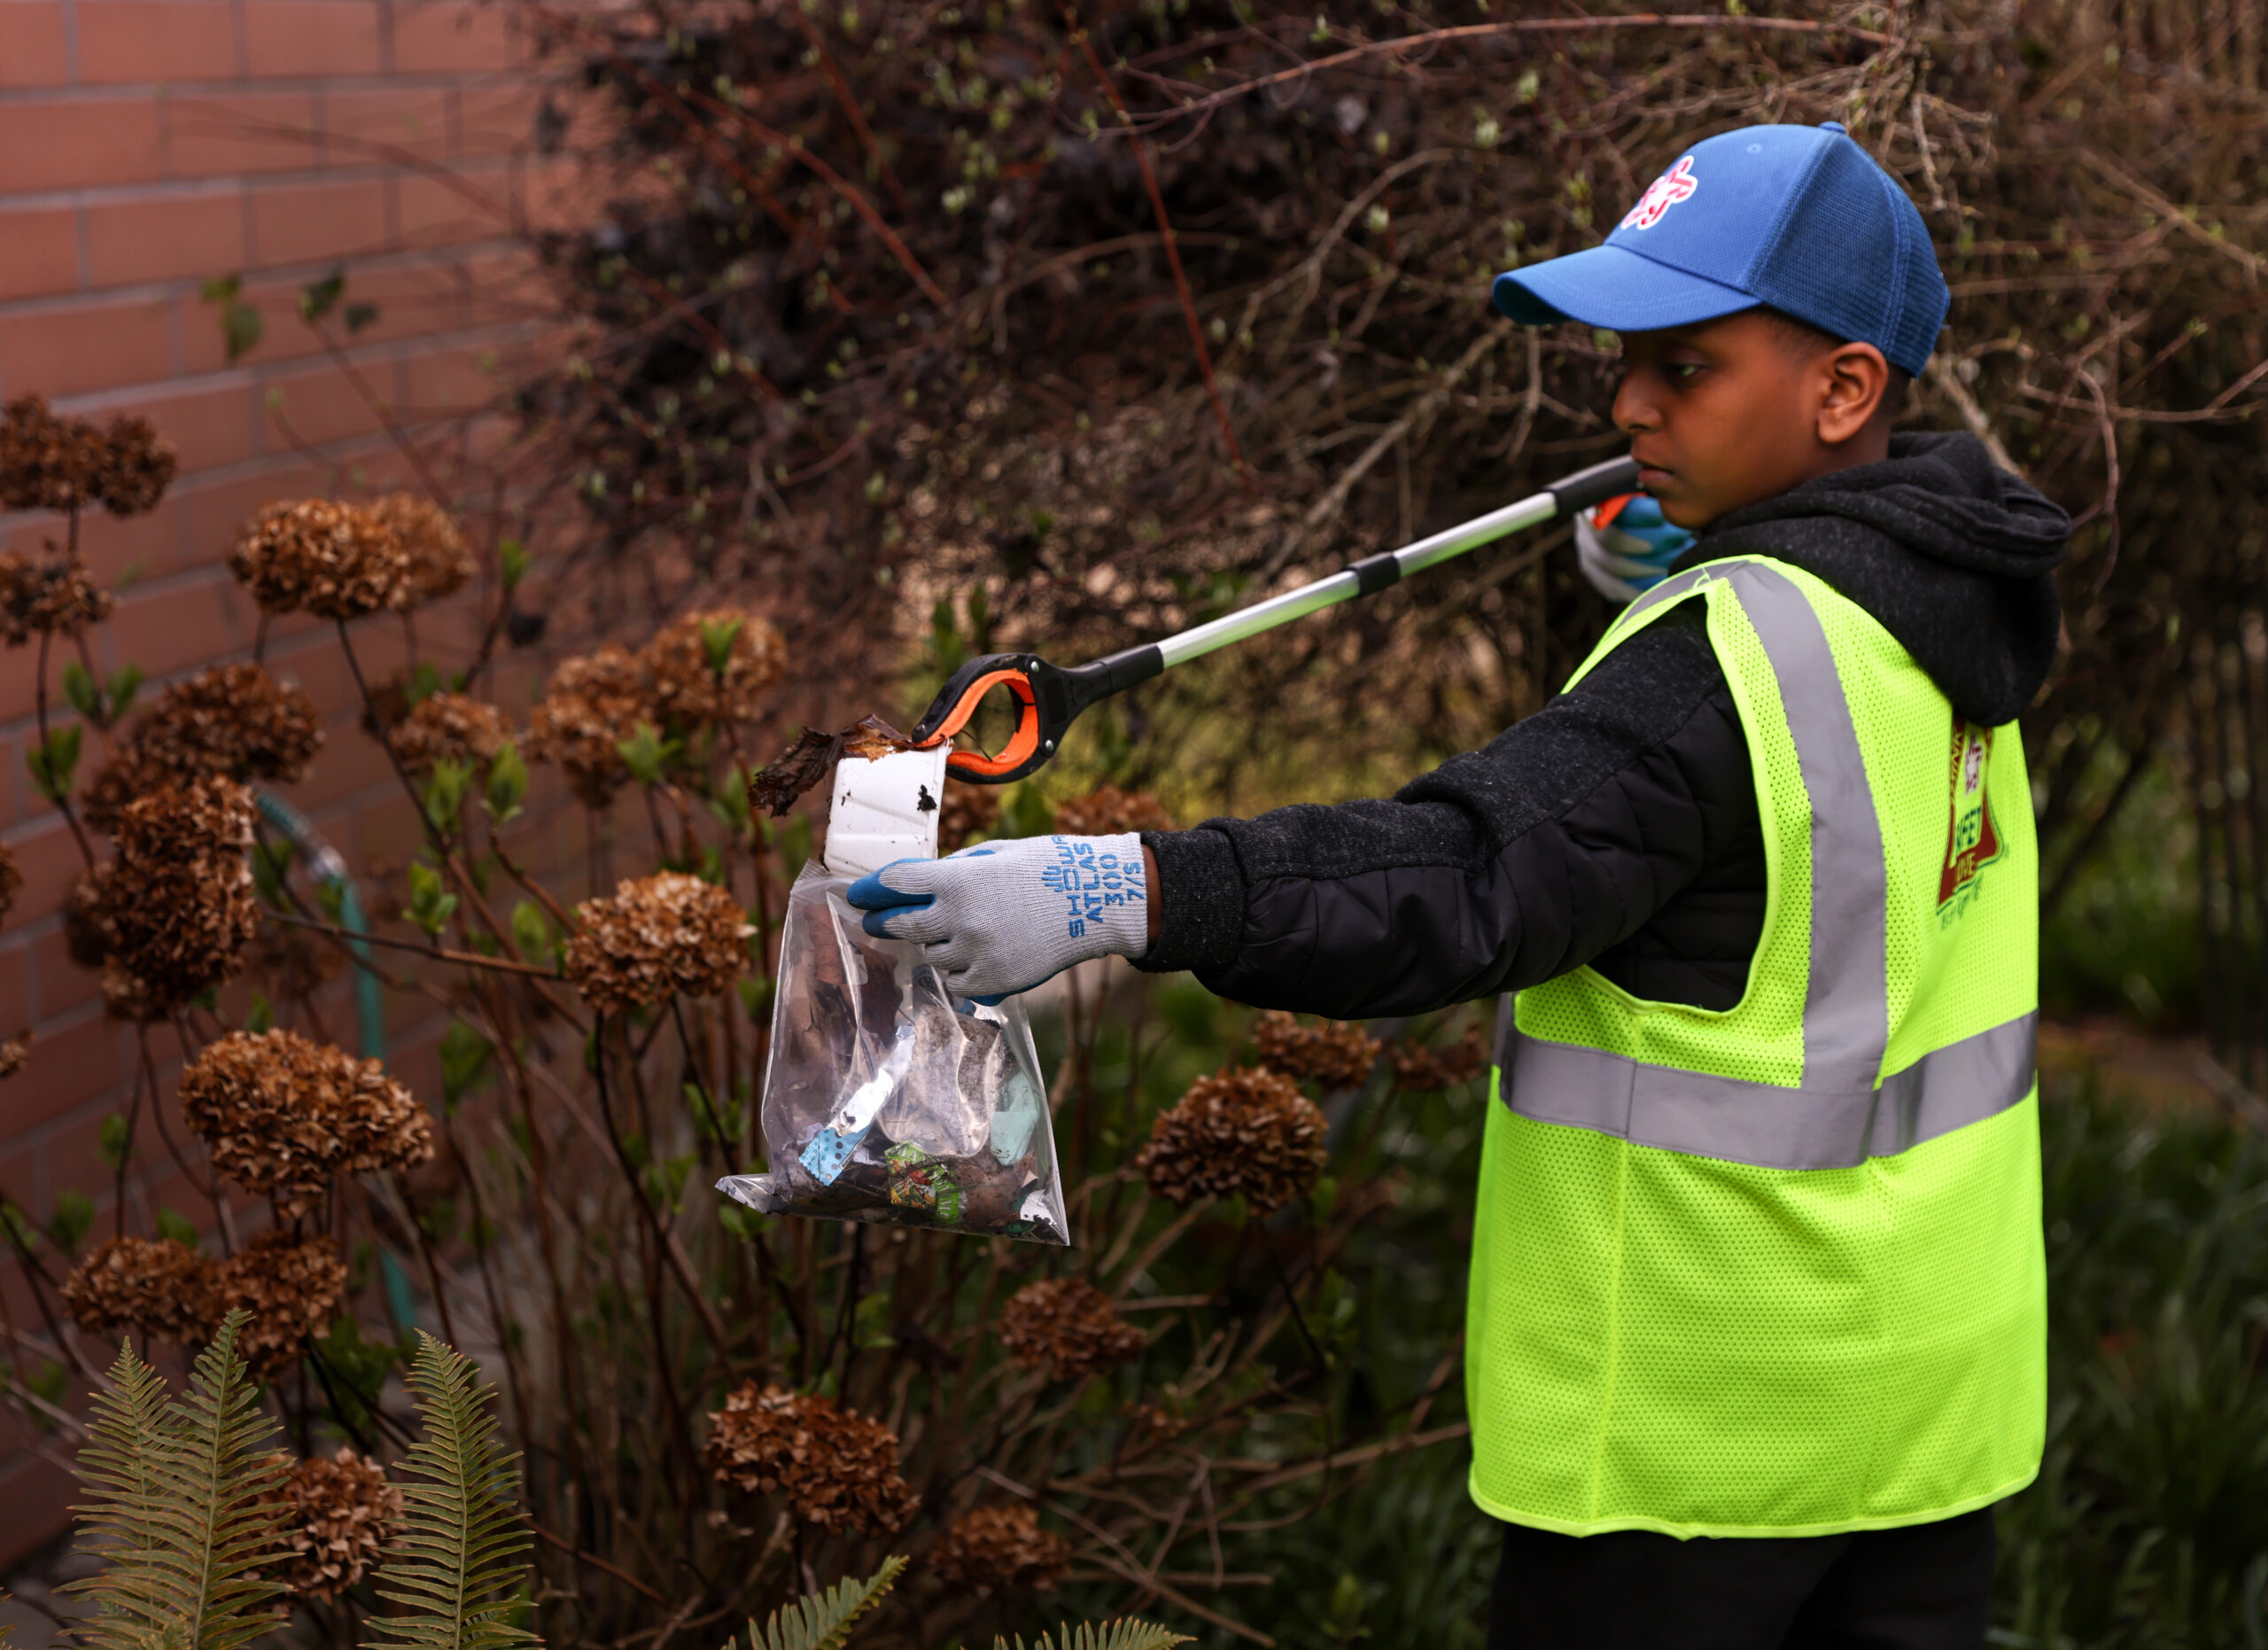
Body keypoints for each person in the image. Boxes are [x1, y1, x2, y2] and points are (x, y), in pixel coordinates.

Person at [849, 121, 2071, 1649]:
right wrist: (1741, 540)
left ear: (1843, 388)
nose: (1626, 401)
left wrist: (1128, 889)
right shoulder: (1952, 591)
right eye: (1626, 359)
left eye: (1684, 366)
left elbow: (1468, 871)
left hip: (1693, 1460)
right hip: (1922, 1420)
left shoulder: (1727, 663)